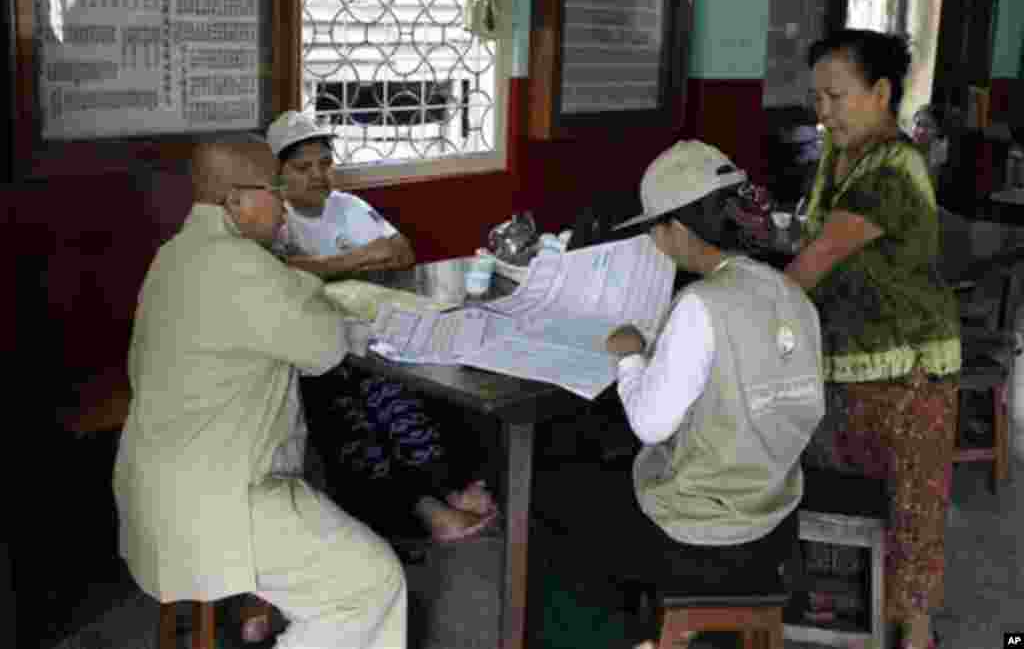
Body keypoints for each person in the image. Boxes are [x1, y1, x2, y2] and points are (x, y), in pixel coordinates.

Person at [112, 137, 406, 649]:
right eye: (275, 189)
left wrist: (297, 284)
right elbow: (326, 347)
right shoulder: (242, 267)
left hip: (153, 486)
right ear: (235, 201)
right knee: (371, 584)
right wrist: (307, 288)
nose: (284, 203)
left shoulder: (174, 255)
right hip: (215, 502)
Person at [541, 141, 826, 649]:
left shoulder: (700, 304)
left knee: (563, 503)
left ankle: (636, 637)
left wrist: (631, 355)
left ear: (678, 228)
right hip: (776, 516)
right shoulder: (790, 293)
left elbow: (650, 424)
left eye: (654, 227)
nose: (653, 238)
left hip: (703, 537)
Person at [785, 29, 961, 649]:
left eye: (835, 96)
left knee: (913, 516)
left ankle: (917, 639)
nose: (822, 111)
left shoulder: (891, 167)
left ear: (882, 93)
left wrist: (734, 300)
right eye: (817, 97)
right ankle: (846, 617)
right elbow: (816, 239)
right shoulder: (845, 157)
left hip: (909, 374)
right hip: (849, 362)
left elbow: (814, 264)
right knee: (853, 503)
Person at [265, 110, 498, 546]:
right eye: (303, 167)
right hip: (319, 347)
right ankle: (424, 505)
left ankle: (446, 485)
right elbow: (284, 273)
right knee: (363, 401)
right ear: (277, 175)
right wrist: (357, 258)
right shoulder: (275, 219)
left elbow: (401, 253)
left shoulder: (348, 207)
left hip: (376, 330)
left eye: (324, 163)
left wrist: (322, 267)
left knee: (412, 381)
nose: (318, 175)